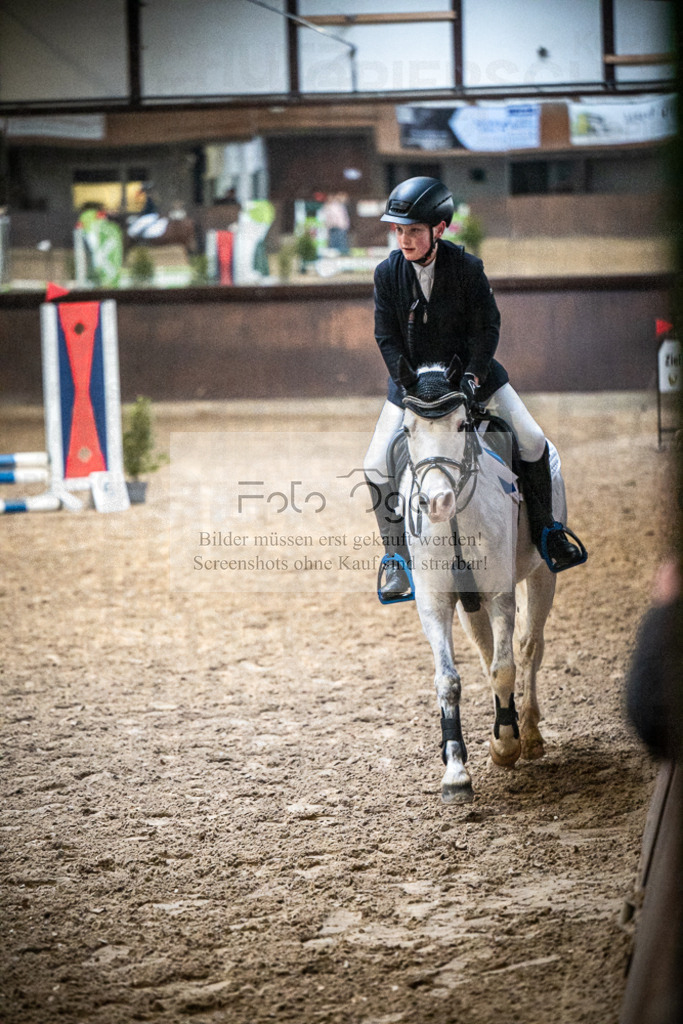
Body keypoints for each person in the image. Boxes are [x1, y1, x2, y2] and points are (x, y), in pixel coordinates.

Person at [364, 176, 586, 601]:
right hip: (412, 387)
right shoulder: (387, 274)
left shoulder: (467, 269)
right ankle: (395, 559)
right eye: (399, 230)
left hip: (474, 379)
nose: (404, 239)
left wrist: (473, 376)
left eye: (413, 230)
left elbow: (487, 328)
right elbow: (385, 336)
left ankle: (547, 533)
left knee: (532, 439)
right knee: (375, 462)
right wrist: (406, 380)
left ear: (439, 230)